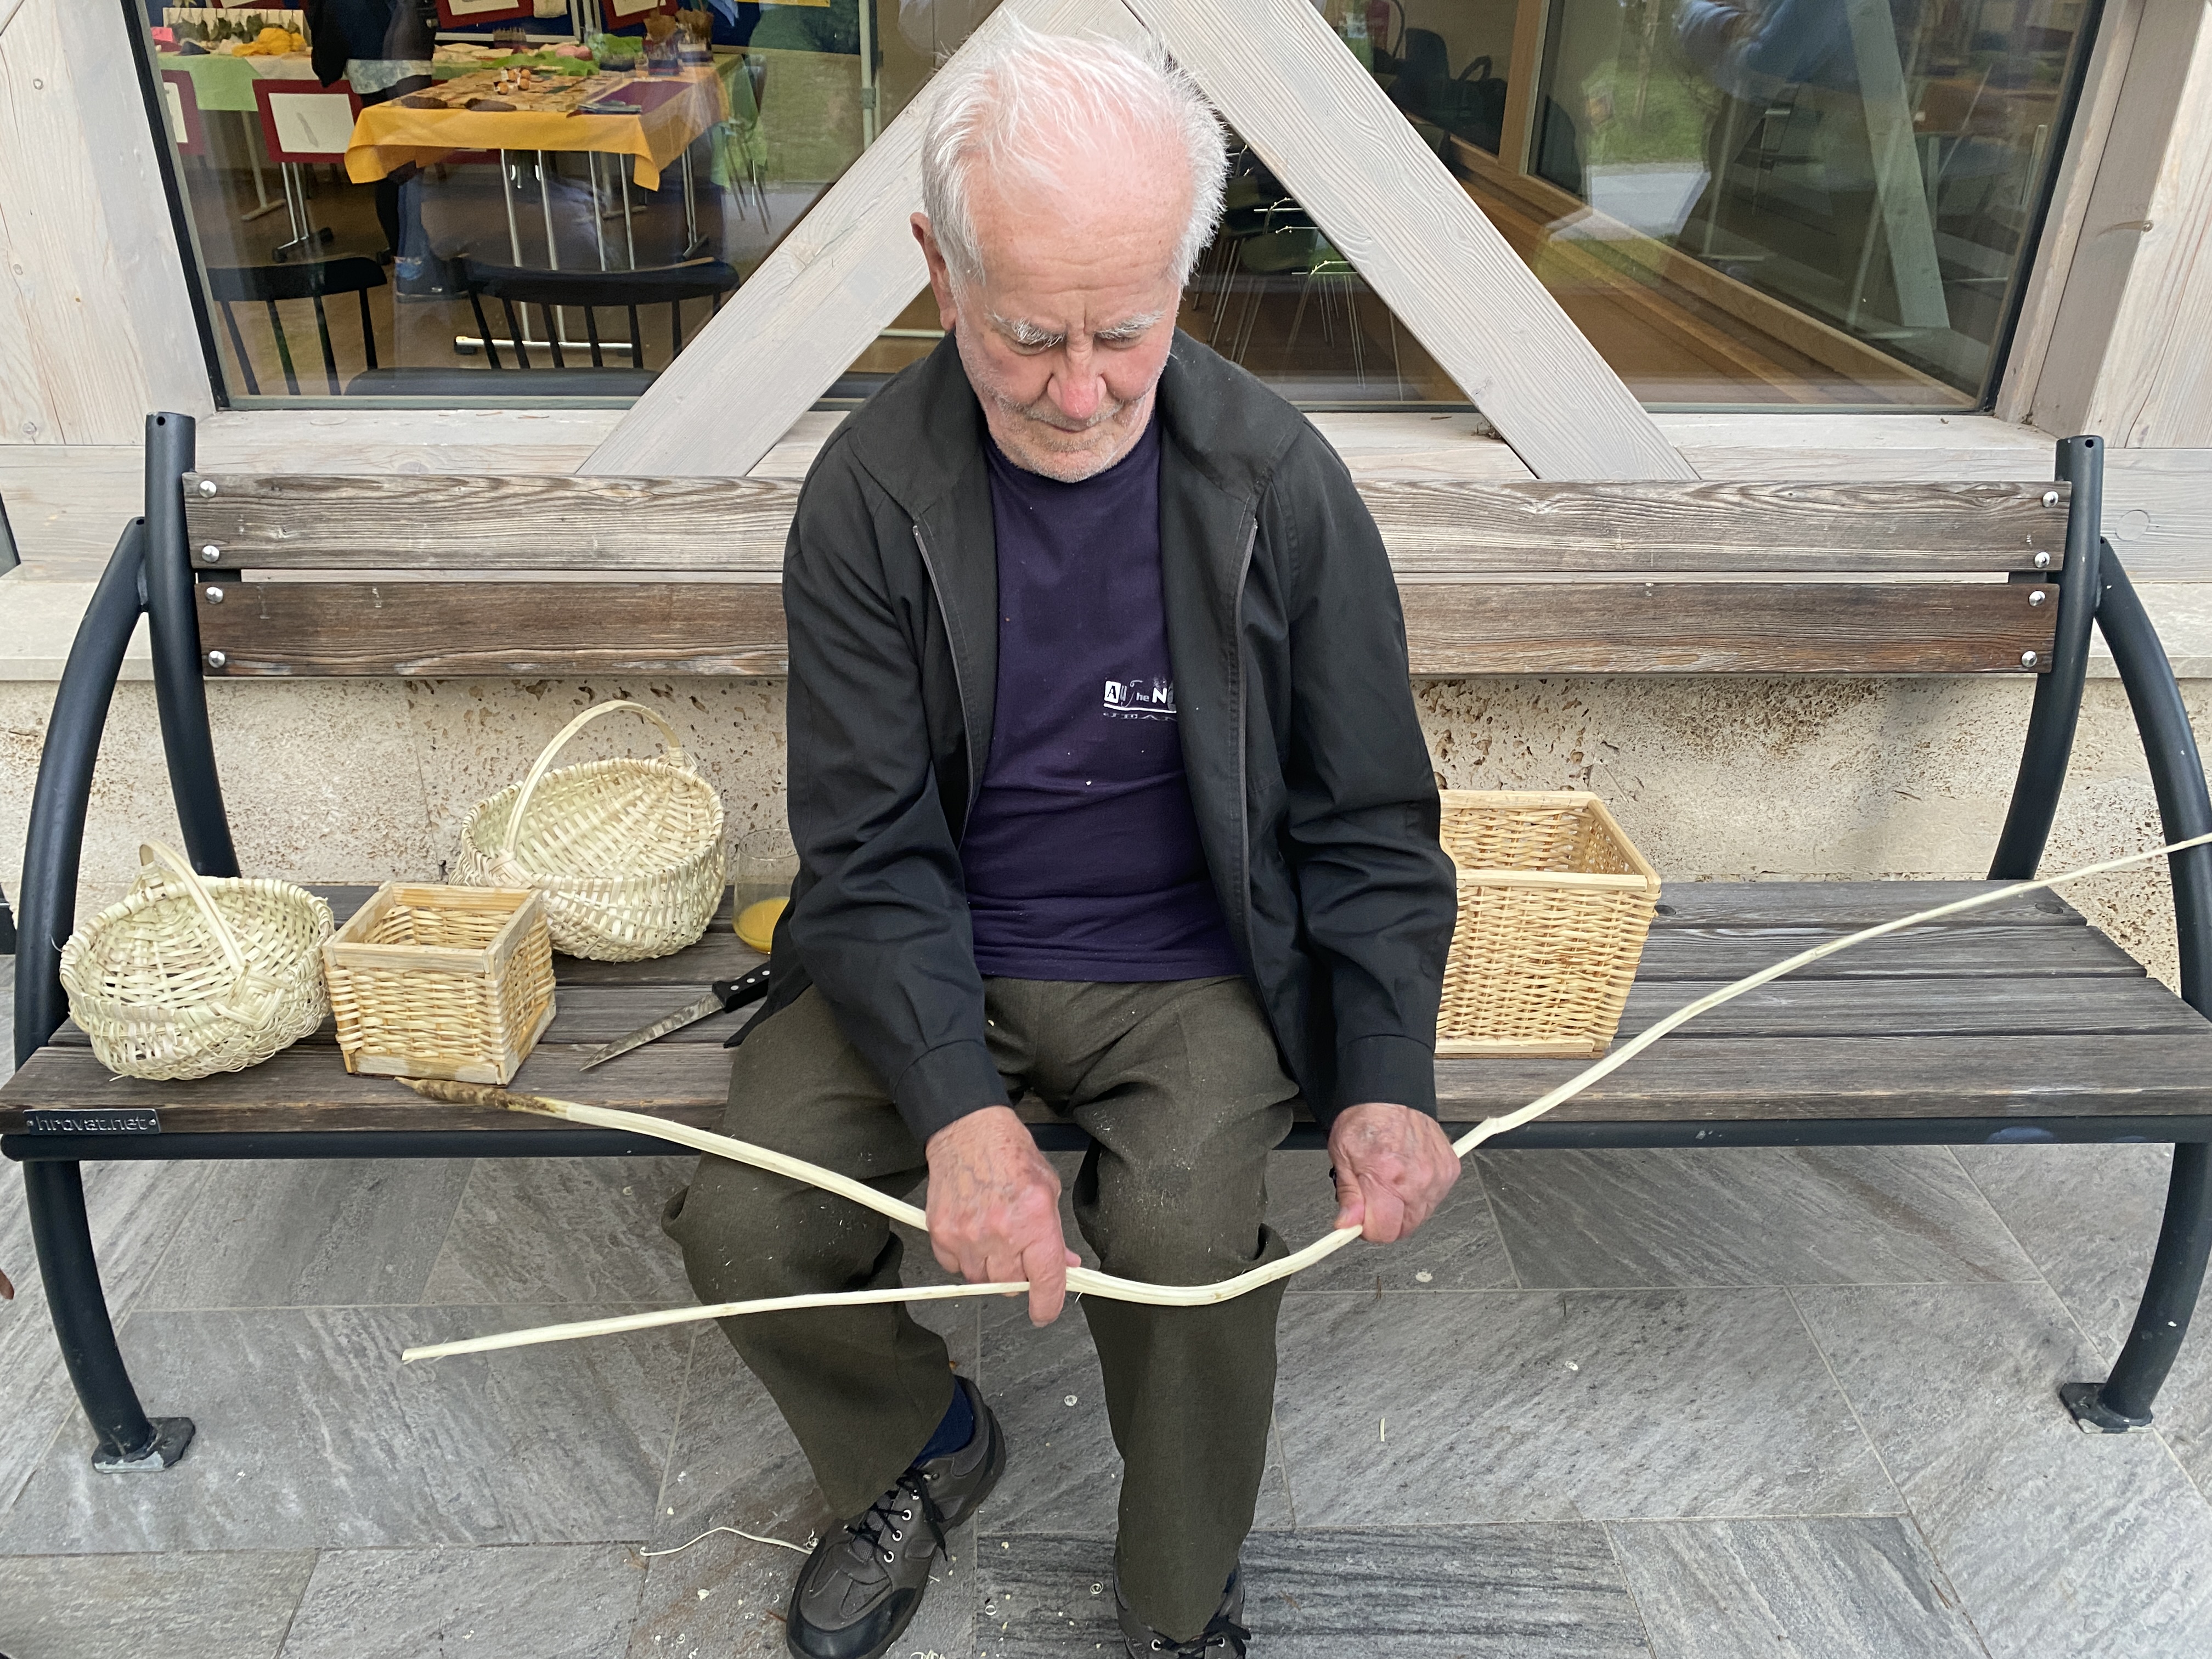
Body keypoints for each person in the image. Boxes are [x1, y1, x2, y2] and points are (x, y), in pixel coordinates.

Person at [662, 23, 1460, 1659]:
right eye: (1028, 336)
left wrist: (1386, 1073)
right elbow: (871, 850)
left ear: (1182, 281)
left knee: (1184, 1241)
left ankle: (1178, 1592)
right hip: (932, 943)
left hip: (1191, 965)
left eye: (1126, 332)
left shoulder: (1282, 488)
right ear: (937, 272)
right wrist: (957, 1112)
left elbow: (1371, 816)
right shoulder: (869, 497)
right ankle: (918, 1445)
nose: (1081, 391)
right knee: (747, 1222)